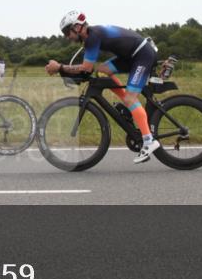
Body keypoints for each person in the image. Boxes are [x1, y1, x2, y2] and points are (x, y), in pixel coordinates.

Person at [44, 11, 162, 164]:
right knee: (102, 71)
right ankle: (129, 107)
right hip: (131, 55)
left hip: (142, 55)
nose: (67, 37)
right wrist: (63, 69)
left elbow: (86, 68)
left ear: (77, 27)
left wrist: (60, 67)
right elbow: (90, 69)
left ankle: (149, 141)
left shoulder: (92, 37)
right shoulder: (91, 36)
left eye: (67, 32)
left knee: (130, 98)